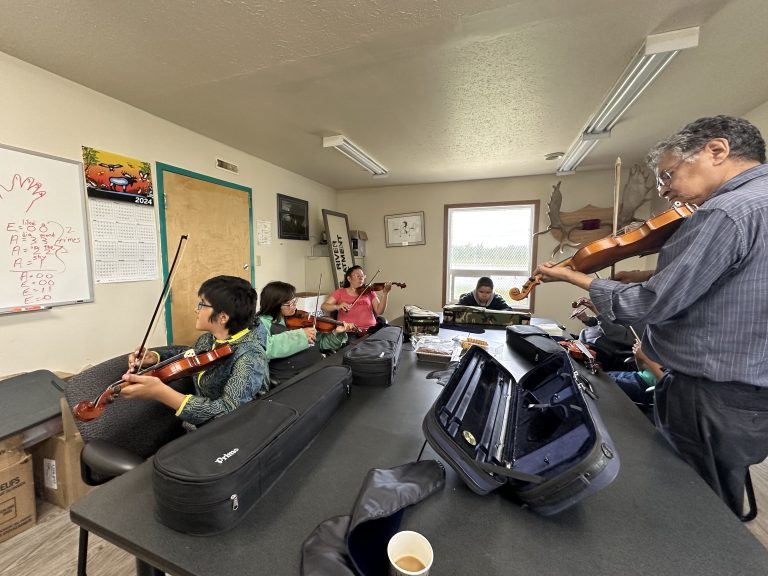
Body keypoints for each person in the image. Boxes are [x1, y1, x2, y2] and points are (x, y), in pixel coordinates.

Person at [532, 115, 768, 519]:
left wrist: (574, 276)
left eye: (668, 175)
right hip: (745, 396)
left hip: (710, 395)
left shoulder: (725, 212)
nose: (666, 190)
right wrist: (647, 273)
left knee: (690, 505)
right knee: (711, 503)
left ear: (717, 150)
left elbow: (650, 305)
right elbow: (734, 283)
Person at [121, 275, 269, 429]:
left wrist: (161, 393)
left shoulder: (250, 356)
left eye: (202, 304)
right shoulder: (208, 339)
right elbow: (189, 354)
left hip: (230, 435)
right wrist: (155, 357)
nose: (195, 309)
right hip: (196, 427)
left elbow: (228, 413)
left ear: (223, 317)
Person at [257, 281, 356, 384]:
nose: (294, 306)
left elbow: (321, 343)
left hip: (317, 366)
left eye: (295, 301)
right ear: (274, 304)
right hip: (294, 376)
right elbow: (264, 348)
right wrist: (301, 336)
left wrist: (336, 333)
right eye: (289, 304)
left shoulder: (299, 317)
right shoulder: (261, 323)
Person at [571, 297, 636, 371]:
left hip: (596, 352)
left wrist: (596, 311)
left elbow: (614, 331)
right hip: (582, 342)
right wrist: (586, 319)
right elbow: (599, 323)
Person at [321, 266, 391, 332]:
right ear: (349, 279)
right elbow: (324, 306)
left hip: (370, 329)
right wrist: (337, 306)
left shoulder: (369, 292)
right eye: (358, 276)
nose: (361, 278)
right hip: (350, 331)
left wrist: (385, 293)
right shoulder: (340, 292)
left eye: (362, 276)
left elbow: (379, 311)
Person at [606, 340, 664, 418]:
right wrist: (638, 356)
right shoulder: (666, 350)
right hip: (636, 376)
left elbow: (665, 381)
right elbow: (642, 370)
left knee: (604, 383)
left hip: (646, 389)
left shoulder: (680, 360)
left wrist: (645, 358)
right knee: (602, 375)